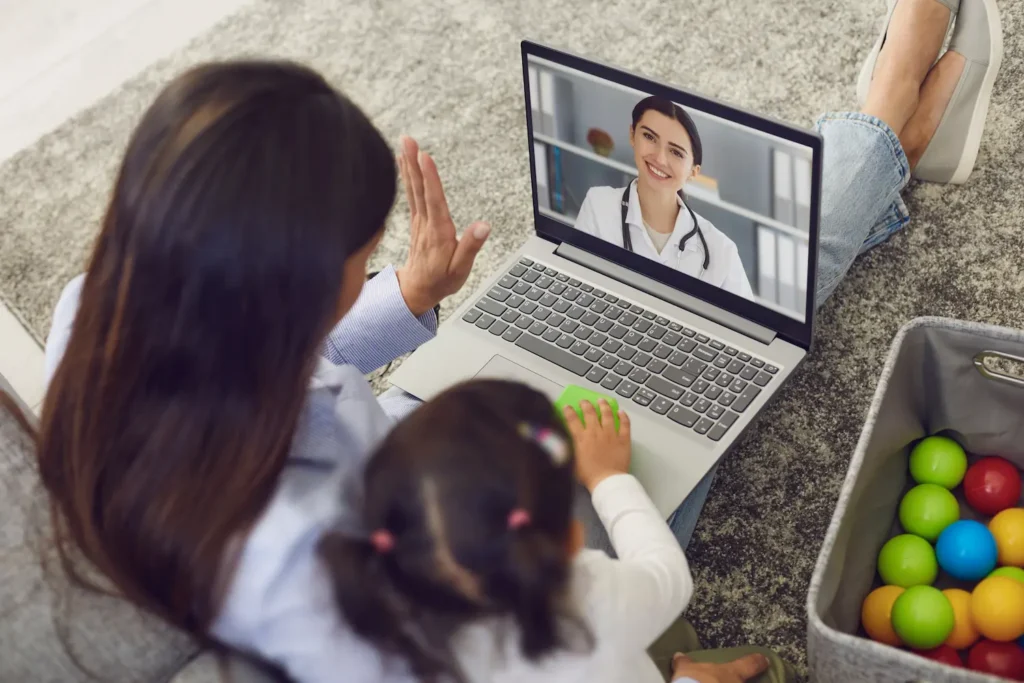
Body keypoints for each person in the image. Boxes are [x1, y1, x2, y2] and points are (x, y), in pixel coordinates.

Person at [34, 60, 766, 683]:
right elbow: (533, 638)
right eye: (364, 259)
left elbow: (275, 366)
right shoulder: (323, 572)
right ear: (290, 295)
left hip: (391, 463)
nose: (371, 266)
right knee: (665, 403)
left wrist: (404, 294)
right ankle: (873, 133)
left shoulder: (99, 308)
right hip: (452, 554)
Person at [309, 379, 780, 682]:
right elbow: (668, 577)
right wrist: (608, 478)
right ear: (573, 542)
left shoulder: (362, 623)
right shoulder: (587, 601)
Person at [573, 96, 754, 300]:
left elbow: (747, 328)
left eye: (676, 152)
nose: (660, 159)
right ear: (632, 135)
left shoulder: (721, 251)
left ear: (693, 172)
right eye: (650, 137)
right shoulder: (599, 205)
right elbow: (578, 291)